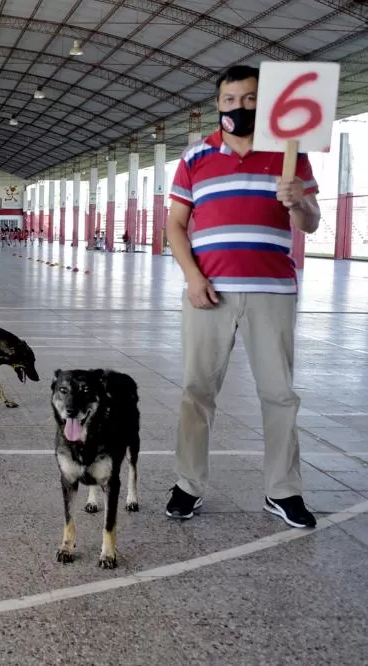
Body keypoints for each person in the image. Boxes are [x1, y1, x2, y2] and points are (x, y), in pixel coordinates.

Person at [165, 65, 321, 528]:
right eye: (230, 100)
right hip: (208, 293)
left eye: (249, 99)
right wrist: (193, 277)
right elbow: (175, 224)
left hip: (272, 292)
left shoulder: (290, 155)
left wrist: (298, 201)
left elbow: (309, 223)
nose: (239, 107)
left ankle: (283, 490)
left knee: (279, 395)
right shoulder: (195, 157)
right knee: (197, 392)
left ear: (264, 102)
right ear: (218, 104)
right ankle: (187, 485)